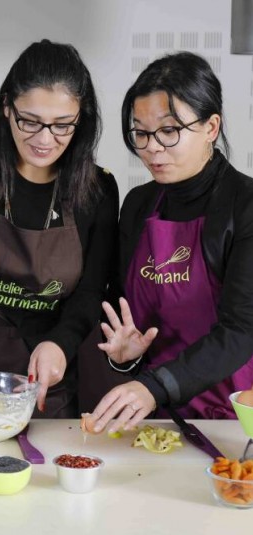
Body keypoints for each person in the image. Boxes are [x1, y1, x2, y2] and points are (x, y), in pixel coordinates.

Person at [0, 39, 119, 417]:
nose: (45, 139)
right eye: (29, 121)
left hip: (47, 380)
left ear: (82, 119)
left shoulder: (97, 190)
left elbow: (92, 290)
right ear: (7, 108)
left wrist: (62, 343)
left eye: (63, 126)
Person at [86, 51, 253, 431]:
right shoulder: (138, 205)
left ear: (211, 127)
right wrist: (125, 358)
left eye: (169, 131)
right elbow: (120, 306)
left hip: (231, 415)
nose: (152, 148)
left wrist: (155, 385)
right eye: (141, 133)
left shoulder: (245, 205)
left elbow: (242, 330)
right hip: (152, 414)